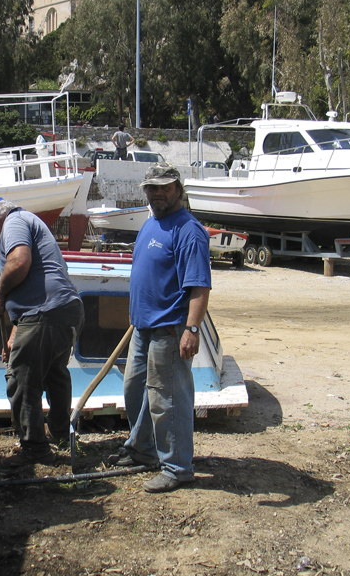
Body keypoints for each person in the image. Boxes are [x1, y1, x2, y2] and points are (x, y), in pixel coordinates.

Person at [113, 163, 211, 493]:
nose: (157, 193)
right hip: (142, 328)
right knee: (135, 391)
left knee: (167, 401)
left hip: (169, 330)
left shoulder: (189, 230)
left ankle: (178, 467)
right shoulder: (150, 224)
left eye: (164, 187)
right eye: (152, 188)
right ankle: (144, 450)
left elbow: (199, 286)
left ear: (178, 190)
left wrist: (192, 329)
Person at [0, 197, 85, 467]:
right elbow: (36, 279)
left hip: (44, 312)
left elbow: (19, 262)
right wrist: (16, 333)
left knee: (20, 380)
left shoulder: (13, 223)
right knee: (54, 374)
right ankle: (60, 434)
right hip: (64, 309)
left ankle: (35, 450)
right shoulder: (31, 221)